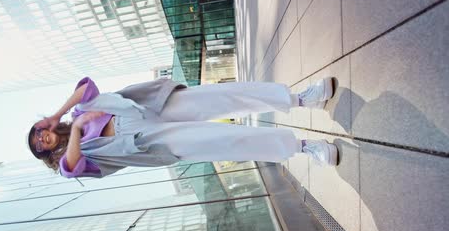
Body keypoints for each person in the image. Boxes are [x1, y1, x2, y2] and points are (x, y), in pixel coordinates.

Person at [28, 77, 339, 178]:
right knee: (225, 141)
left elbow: (85, 87)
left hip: (146, 107)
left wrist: (59, 115)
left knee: (223, 96)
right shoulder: (68, 159)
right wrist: (79, 129)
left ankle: (301, 98)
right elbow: (72, 167)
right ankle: (303, 148)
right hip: (146, 142)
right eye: (39, 144)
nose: (42, 137)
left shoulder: (80, 110)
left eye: (39, 131)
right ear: (45, 152)